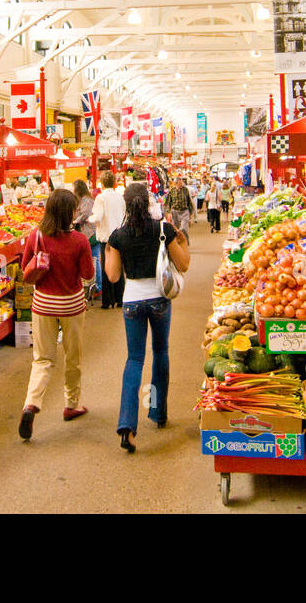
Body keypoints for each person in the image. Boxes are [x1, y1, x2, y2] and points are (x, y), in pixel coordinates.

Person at [105, 183, 190, 453]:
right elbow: (184, 264)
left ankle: (127, 426)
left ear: (127, 205)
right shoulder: (163, 230)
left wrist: (108, 251)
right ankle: (157, 411)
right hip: (159, 299)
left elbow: (113, 276)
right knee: (160, 352)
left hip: (132, 301)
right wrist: (183, 242)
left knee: (134, 360)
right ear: (148, 202)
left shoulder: (118, 236)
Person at [17, 189, 95, 440]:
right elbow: (88, 274)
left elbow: (25, 269)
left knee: (42, 359)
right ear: (69, 213)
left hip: (43, 304)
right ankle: (71, 404)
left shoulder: (36, 235)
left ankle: (31, 404)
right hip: (71, 305)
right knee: (73, 358)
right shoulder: (79, 241)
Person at [90, 172, 126, 309]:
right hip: (119, 236)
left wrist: (89, 219)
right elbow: (124, 214)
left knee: (107, 268)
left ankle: (107, 301)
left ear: (102, 184)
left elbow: (97, 216)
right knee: (119, 267)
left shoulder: (101, 198)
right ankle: (120, 298)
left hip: (106, 238)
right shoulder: (119, 197)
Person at [72, 179, 100, 299]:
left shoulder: (86, 201)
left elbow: (84, 215)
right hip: (87, 233)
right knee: (93, 259)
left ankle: (98, 286)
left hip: (90, 234)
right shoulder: (83, 200)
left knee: (94, 260)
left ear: (78, 190)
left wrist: (74, 221)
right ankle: (93, 285)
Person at [165, 176, 194, 246]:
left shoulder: (185, 190)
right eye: (180, 183)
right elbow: (168, 202)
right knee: (176, 229)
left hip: (185, 211)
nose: (182, 184)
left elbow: (189, 201)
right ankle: (178, 243)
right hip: (175, 211)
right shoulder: (172, 191)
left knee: (183, 228)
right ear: (176, 183)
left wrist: (191, 213)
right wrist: (168, 212)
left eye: (182, 183)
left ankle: (185, 242)